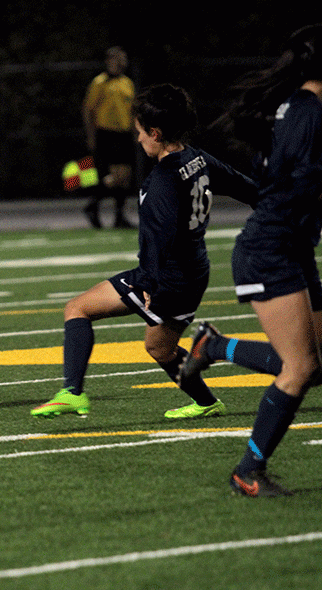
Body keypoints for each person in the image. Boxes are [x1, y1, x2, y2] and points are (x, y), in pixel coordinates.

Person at [30, 84, 257, 421]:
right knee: (134, 335)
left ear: (155, 132)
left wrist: (151, 285)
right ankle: (75, 393)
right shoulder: (196, 158)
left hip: (169, 276)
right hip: (190, 269)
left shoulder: (162, 181)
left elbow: (160, 239)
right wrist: (276, 208)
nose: (137, 140)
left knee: (105, 321)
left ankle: (74, 393)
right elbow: (243, 186)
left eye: (139, 133)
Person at [178, 24, 322, 497]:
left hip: (291, 244)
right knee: (298, 369)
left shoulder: (300, 108)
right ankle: (247, 472)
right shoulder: (306, 109)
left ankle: (215, 349)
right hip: (271, 248)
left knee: (312, 365)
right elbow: (295, 177)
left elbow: (275, 173)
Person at [82, 47, 137, 229]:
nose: (121, 63)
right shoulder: (100, 82)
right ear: (108, 61)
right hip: (107, 133)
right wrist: (91, 136)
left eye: (123, 59)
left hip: (124, 134)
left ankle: (116, 215)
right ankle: (94, 205)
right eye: (117, 59)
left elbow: (132, 112)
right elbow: (88, 110)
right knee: (115, 175)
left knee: (125, 177)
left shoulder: (127, 83)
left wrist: (136, 133)